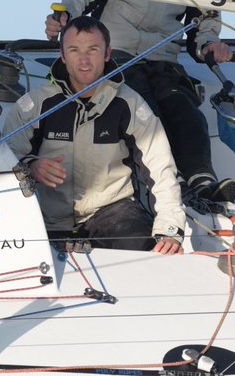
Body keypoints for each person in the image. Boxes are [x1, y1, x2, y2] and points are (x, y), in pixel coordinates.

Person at [9, 15, 185, 253]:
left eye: (93, 49)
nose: (84, 60)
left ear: (107, 53)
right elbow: (5, 158)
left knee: (144, 251)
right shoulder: (36, 104)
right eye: (74, 50)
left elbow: (160, 166)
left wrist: (169, 229)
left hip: (113, 214)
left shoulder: (130, 104)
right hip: (46, 217)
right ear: (62, 55)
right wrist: (31, 168)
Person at [44, 0, 235, 204]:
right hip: (118, 55)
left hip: (164, 59)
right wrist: (66, 15)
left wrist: (209, 44)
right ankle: (174, 183)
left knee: (186, 113)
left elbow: (205, 17)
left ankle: (202, 180)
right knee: (147, 114)